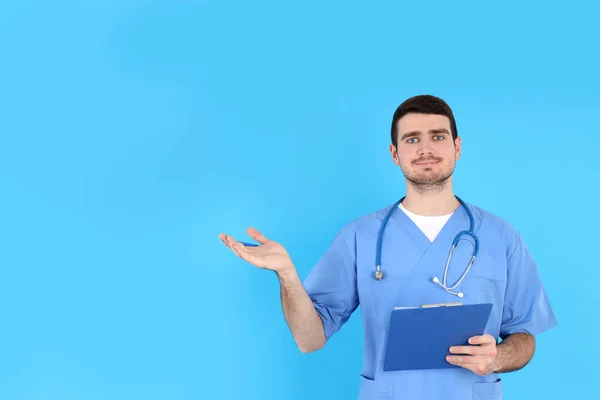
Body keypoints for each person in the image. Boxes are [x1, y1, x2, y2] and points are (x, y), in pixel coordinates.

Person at [219, 94, 557, 400]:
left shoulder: (501, 237)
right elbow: (310, 340)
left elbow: (524, 339)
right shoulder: (359, 238)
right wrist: (287, 275)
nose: (426, 149)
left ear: (457, 147)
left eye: (438, 136)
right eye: (412, 139)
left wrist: (498, 357)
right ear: (395, 153)